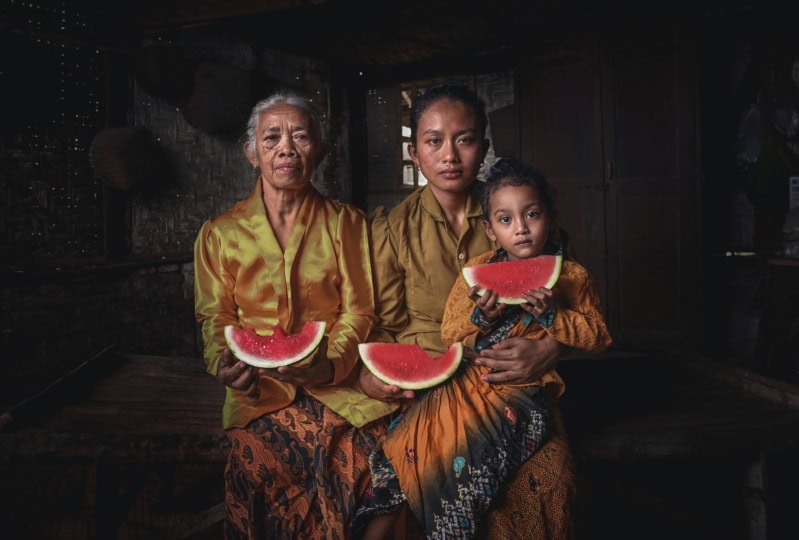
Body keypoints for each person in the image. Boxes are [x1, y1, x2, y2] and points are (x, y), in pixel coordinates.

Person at [356, 81, 587, 539]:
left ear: (483, 146)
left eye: (464, 139)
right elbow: (380, 326)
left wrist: (551, 348)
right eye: (433, 141)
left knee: (549, 480)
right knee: (399, 496)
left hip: (514, 388)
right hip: (427, 391)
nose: (449, 155)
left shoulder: (519, 213)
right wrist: (370, 376)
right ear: (415, 152)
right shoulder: (389, 229)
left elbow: (572, 302)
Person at [193, 90, 395, 539]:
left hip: (337, 387)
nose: (286, 148)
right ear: (251, 153)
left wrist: (328, 364)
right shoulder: (218, 234)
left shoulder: (348, 224)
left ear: (319, 151)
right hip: (256, 394)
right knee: (267, 466)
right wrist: (224, 365)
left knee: (373, 464)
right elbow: (215, 319)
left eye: (301, 136)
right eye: (271, 138)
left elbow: (359, 311)